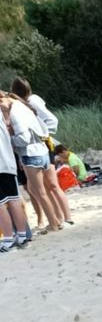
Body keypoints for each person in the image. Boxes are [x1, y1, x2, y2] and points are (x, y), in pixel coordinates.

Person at [9, 77, 73, 226]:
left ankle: (62, 219)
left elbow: (52, 120)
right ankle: (59, 218)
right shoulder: (25, 103)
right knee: (47, 186)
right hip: (41, 146)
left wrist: (43, 134)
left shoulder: (30, 102)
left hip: (40, 146)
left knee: (48, 186)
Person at [0, 91, 62, 233]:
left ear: (2, 99)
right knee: (39, 190)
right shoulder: (23, 107)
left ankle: (53, 223)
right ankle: (56, 219)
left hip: (31, 154)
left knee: (40, 192)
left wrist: (9, 141)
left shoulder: (15, 112)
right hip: (42, 150)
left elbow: (24, 138)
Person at [0, 113, 29, 248]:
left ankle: (8, 239)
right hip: (8, 162)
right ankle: (22, 235)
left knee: (1, 204)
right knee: (14, 199)